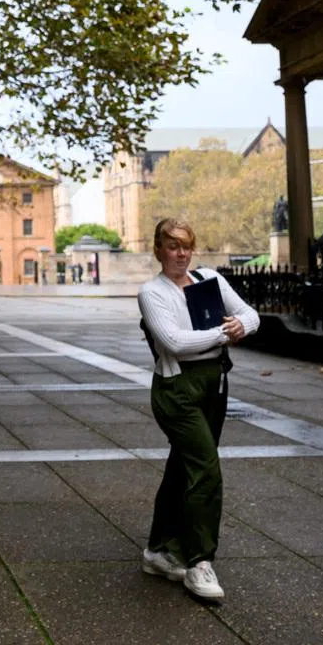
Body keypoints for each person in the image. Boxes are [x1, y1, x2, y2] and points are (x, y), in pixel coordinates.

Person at [137, 218, 259, 602]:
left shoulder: (209, 279)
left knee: (183, 466)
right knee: (205, 469)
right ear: (158, 250)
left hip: (213, 385)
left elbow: (251, 315)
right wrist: (226, 332)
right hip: (177, 390)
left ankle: (158, 551)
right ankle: (199, 561)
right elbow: (174, 342)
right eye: (172, 246)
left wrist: (241, 324)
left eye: (186, 245)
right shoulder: (151, 292)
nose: (181, 253)